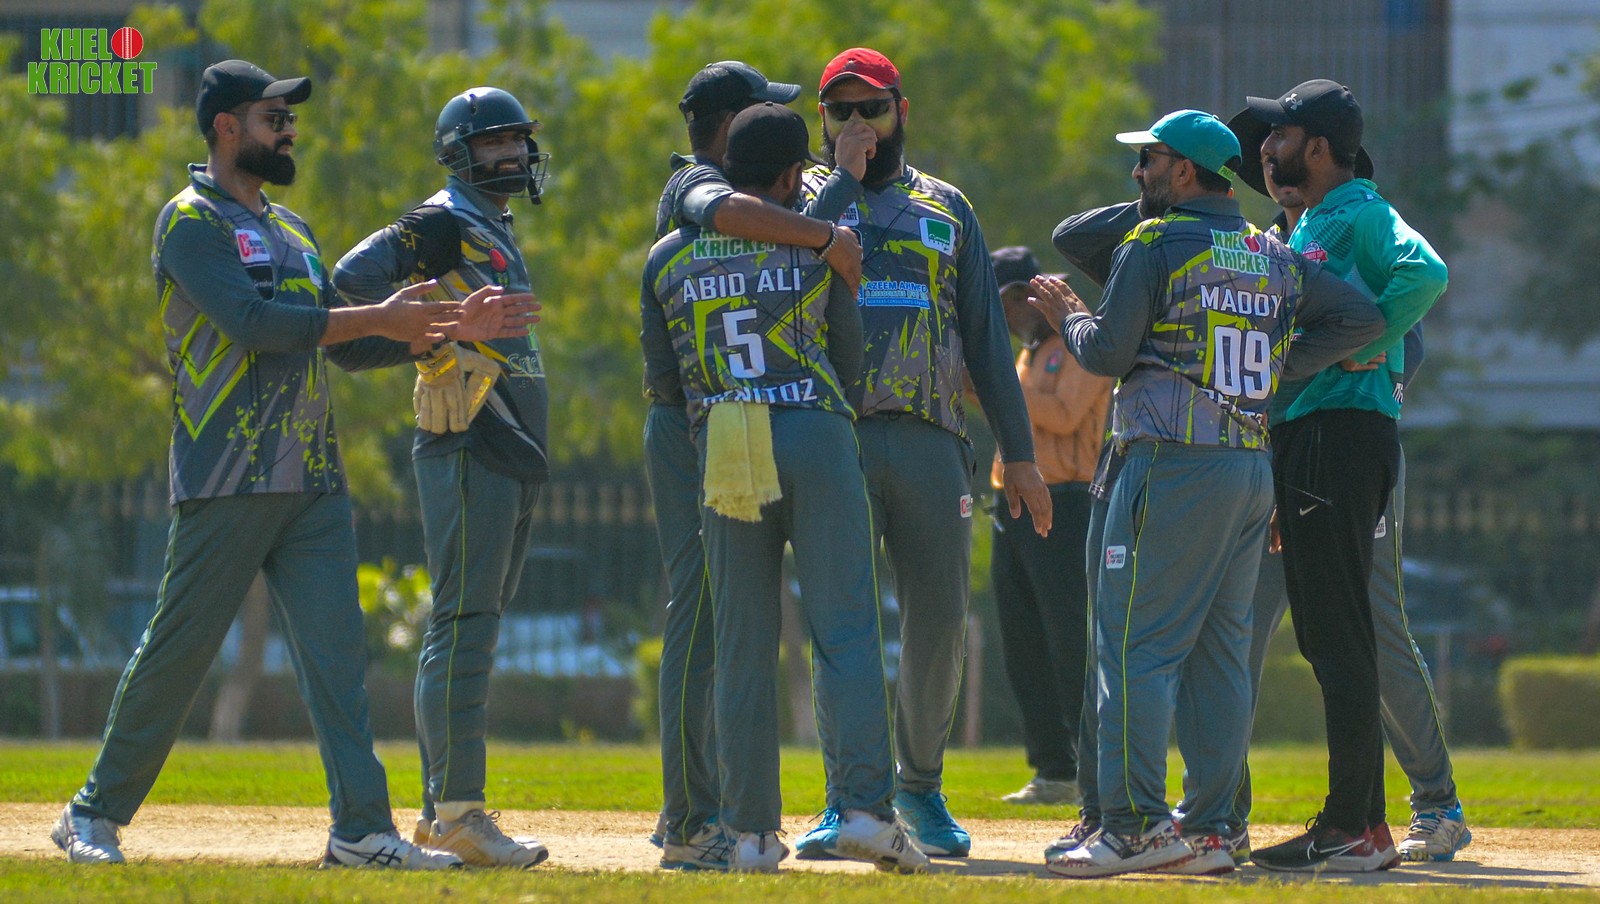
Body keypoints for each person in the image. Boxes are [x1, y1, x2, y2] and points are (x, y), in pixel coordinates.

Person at [49, 60, 530, 870]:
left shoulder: (294, 230)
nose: (288, 131)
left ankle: (361, 831)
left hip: (311, 478)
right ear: (225, 126)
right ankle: (92, 813)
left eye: (289, 120)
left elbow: (343, 344)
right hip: (225, 474)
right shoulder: (189, 221)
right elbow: (254, 323)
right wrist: (375, 316)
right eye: (273, 119)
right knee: (177, 654)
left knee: (339, 664)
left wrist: (445, 327)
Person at [1030, 109, 1385, 878]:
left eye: (1150, 160)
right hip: (1249, 468)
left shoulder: (1154, 243)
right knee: (1220, 655)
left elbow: (1107, 353)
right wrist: (1279, 364)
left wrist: (1070, 316)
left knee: (1136, 646)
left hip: (1168, 463)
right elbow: (1361, 317)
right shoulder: (1270, 251)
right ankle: (1216, 830)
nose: (1138, 173)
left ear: (1185, 170)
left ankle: (1134, 828)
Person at [640, 102, 928, 875]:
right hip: (814, 426)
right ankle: (865, 811)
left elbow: (662, 377)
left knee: (741, 644)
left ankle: (749, 835)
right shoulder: (815, 242)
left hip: (725, 439)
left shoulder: (665, 257)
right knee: (846, 629)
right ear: (794, 174)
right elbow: (849, 350)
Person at [794, 46, 1053, 862]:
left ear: (902, 112)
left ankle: (920, 786)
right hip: (832, 434)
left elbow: (985, 338)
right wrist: (838, 183)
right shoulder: (799, 201)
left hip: (933, 438)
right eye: (840, 111)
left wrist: (1021, 453)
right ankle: (849, 798)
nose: (857, 123)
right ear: (822, 121)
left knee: (939, 620)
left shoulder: (947, 208)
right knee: (842, 620)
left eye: (871, 107)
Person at [1206, 110, 1470, 865]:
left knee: (1365, 630)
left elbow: (1408, 325)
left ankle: (1423, 807)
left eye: (1279, 143)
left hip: (1341, 441)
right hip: (1280, 453)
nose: (1265, 161)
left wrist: (1366, 351)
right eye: (1258, 154)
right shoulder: (1278, 242)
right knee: (1258, 633)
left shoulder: (1356, 224)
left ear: (1320, 153)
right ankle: (1229, 814)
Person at [331, 86, 554, 869]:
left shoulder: (490, 222)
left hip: (504, 442)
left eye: (518, 140)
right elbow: (347, 288)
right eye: (495, 142)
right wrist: (438, 334)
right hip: (466, 439)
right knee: (463, 624)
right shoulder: (440, 221)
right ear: (458, 153)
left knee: (474, 625)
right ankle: (459, 810)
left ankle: (440, 815)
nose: (513, 154)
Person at [984, 246, 1111, 807]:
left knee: (1068, 636)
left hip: (1064, 503)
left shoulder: (1077, 344)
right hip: (1011, 506)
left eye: (1012, 302)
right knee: (1022, 643)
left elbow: (1063, 416)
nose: (1012, 315)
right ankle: (1052, 767)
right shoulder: (1026, 357)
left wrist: (997, 386)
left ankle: (1092, 763)